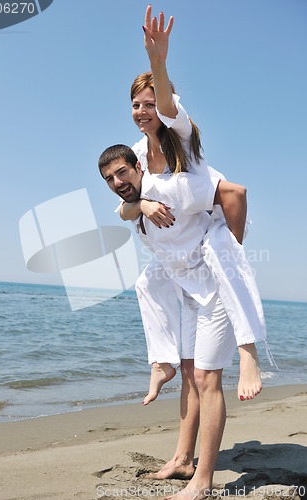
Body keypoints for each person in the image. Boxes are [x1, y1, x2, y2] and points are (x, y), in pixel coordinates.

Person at [98, 144, 268, 499]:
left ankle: (202, 483)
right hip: (190, 292)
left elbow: (235, 192)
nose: (117, 181)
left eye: (123, 173)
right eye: (109, 178)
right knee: (189, 371)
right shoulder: (135, 202)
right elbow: (124, 210)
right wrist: (141, 205)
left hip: (216, 291)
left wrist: (231, 252)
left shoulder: (174, 186)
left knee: (207, 378)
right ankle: (183, 459)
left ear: (139, 166)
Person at [121, 5, 264, 407]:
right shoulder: (134, 154)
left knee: (223, 254)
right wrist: (145, 205)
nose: (142, 111)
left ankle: (249, 352)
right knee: (146, 283)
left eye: (147, 104)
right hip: (182, 249)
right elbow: (125, 206)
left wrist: (156, 61)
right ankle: (161, 362)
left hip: (216, 227)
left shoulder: (179, 136)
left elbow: (167, 104)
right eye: (135, 105)